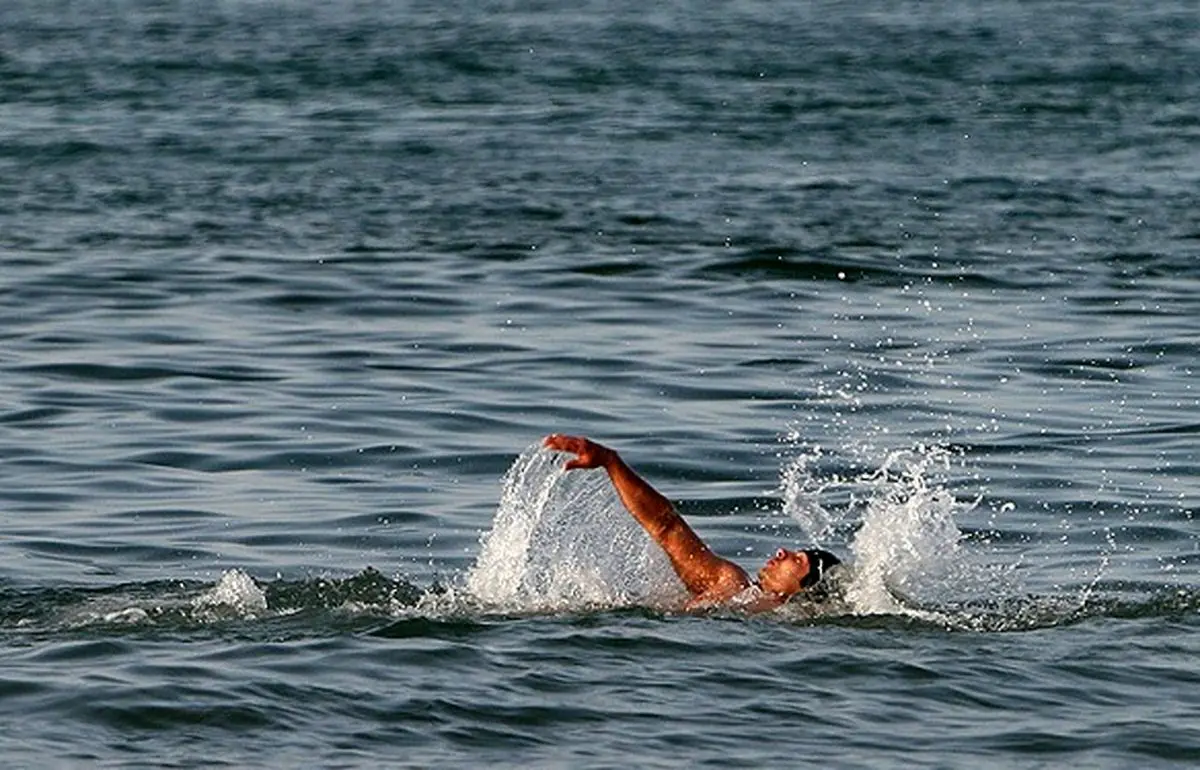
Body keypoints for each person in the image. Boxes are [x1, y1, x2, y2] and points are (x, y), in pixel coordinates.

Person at [543, 434, 841, 612]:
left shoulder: (752, 599)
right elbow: (667, 528)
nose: (781, 552)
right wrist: (611, 462)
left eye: (798, 560)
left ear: (806, 590)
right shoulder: (730, 582)